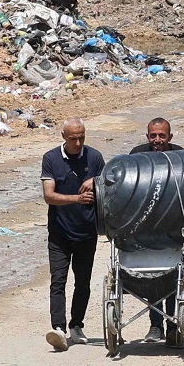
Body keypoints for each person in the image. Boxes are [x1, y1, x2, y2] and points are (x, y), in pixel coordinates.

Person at [42, 119, 105, 352]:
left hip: (87, 232)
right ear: (63, 137)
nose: (78, 143)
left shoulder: (95, 158)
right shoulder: (51, 159)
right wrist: (77, 199)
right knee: (58, 280)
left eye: (81, 138)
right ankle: (58, 328)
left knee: (83, 282)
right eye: (72, 138)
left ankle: (76, 325)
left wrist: (95, 180)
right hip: (59, 232)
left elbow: (109, 184)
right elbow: (49, 195)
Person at [128, 118, 184, 344]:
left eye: (162, 136)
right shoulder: (137, 155)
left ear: (170, 137)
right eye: (153, 136)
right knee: (152, 274)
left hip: (172, 225)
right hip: (146, 225)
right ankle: (155, 325)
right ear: (147, 136)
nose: (158, 140)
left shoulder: (181, 156)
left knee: (172, 275)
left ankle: (172, 326)